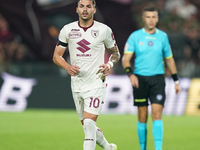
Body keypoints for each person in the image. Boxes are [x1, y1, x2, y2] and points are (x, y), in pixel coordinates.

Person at [53, 0, 120, 150]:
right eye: (82, 6)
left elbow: (115, 53)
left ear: (94, 10)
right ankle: (108, 147)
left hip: (96, 82)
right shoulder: (67, 30)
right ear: (76, 9)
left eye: (88, 6)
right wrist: (67, 66)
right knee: (87, 126)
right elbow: (57, 56)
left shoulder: (104, 30)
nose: (85, 9)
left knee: (89, 125)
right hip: (77, 83)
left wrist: (109, 65)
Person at [122, 6, 181, 150]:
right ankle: (143, 148)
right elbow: (125, 59)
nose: (151, 20)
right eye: (148, 17)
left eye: (153, 17)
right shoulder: (135, 36)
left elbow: (170, 60)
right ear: (143, 18)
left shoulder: (163, 37)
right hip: (140, 80)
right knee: (142, 117)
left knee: (156, 114)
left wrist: (176, 80)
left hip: (158, 80)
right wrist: (130, 74)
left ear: (157, 19)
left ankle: (158, 149)